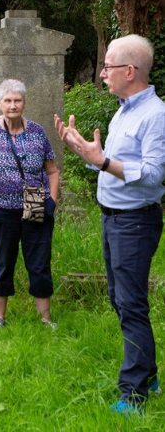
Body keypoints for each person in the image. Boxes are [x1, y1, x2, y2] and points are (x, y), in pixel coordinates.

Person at [54, 34, 165, 414]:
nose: (102, 73)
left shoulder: (155, 115)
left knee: (130, 305)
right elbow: (112, 163)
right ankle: (148, 374)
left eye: (108, 67)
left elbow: (153, 176)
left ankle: (133, 394)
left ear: (129, 71)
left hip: (134, 222)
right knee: (120, 301)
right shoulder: (123, 110)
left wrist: (101, 161)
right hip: (112, 218)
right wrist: (85, 152)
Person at [0, 79, 59, 328]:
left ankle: (45, 318)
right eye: (8, 101)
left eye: (17, 100)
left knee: (39, 260)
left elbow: (52, 171)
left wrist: (51, 201)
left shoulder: (38, 132)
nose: (13, 105)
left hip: (33, 201)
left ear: (24, 103)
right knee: (2, 260)